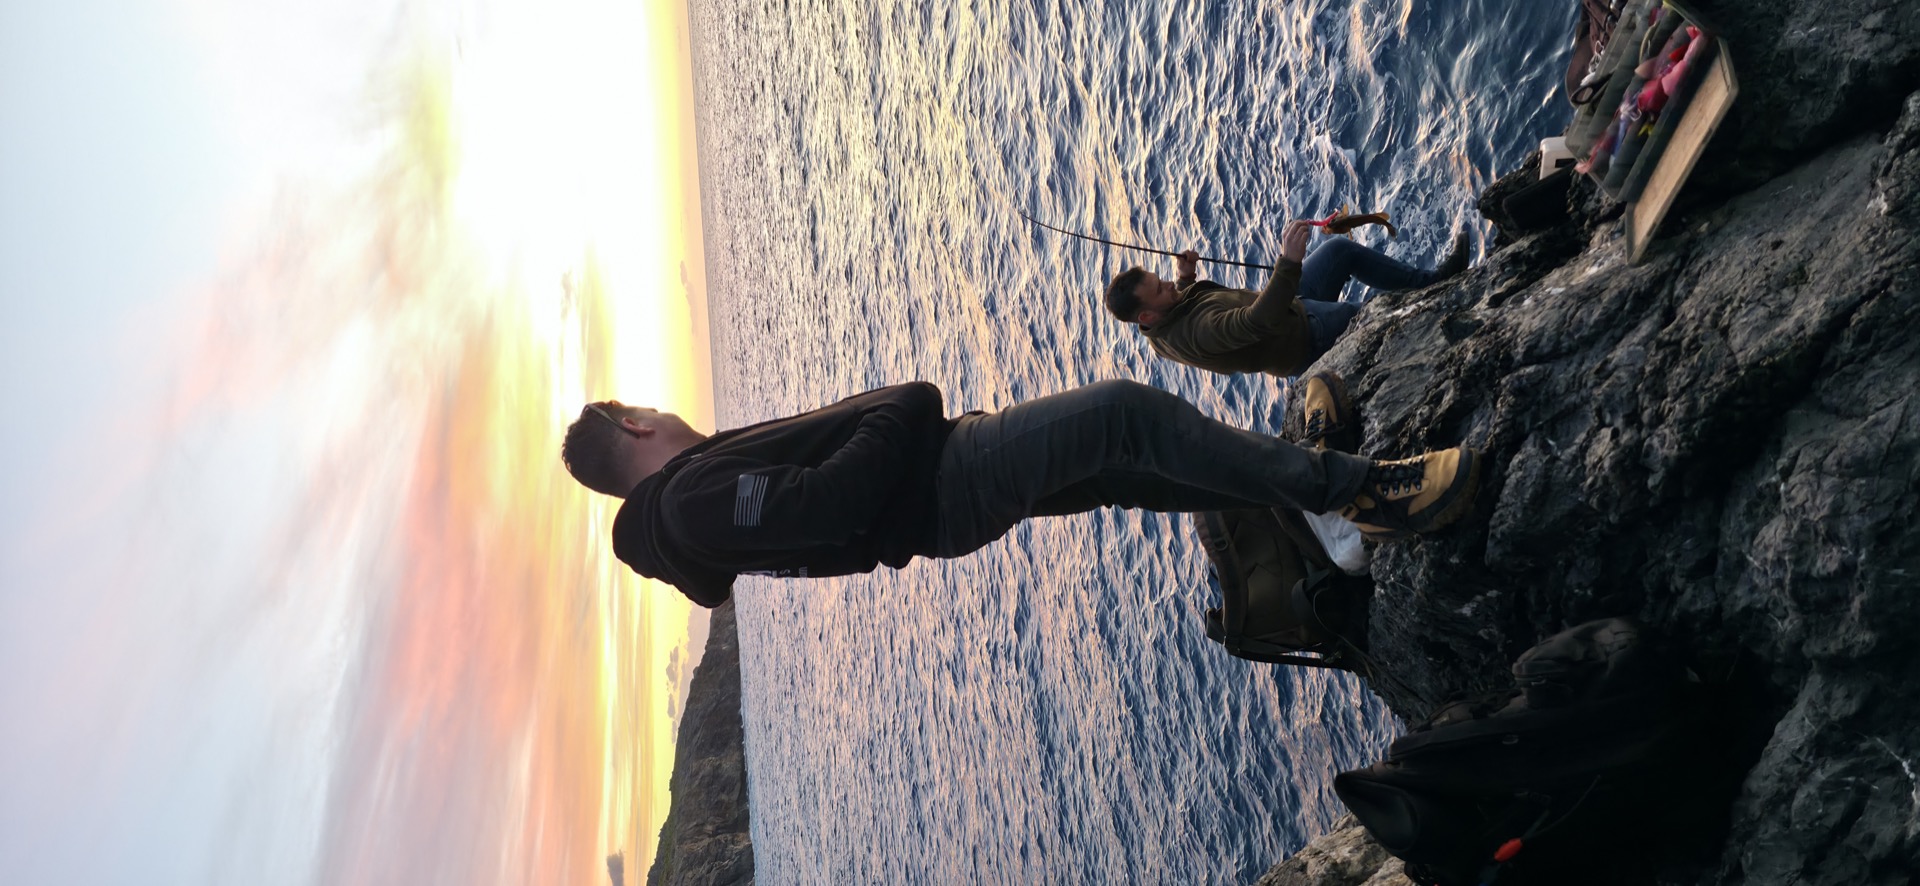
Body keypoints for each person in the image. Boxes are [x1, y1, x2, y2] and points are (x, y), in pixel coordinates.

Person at [561, 379, 1480, 607]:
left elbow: (818, 505)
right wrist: (904, 404)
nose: (663, 410)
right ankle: (1363, 494)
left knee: (1121, 469)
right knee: (1123, 415)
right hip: (944, 478)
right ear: (633, 427)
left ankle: (1295, 501)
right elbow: (832, 502)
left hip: (943, 491)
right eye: (648, 405)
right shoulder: (687, 504)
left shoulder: (687, 512)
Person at [1104, 222, 1471, 377]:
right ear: (1146, 315)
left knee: (1338, 250)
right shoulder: (1196, 333)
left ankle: (1433, 282)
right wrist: (1289, 261)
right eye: (1161, 288)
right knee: (1373, 317)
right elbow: (1255, 322)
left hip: (1292, 309)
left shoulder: (1160, 321)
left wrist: (1185, 278)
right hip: (1303, 339)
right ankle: (1449, 309)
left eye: (1162, 278)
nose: (1169, 283)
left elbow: (1179, 302)